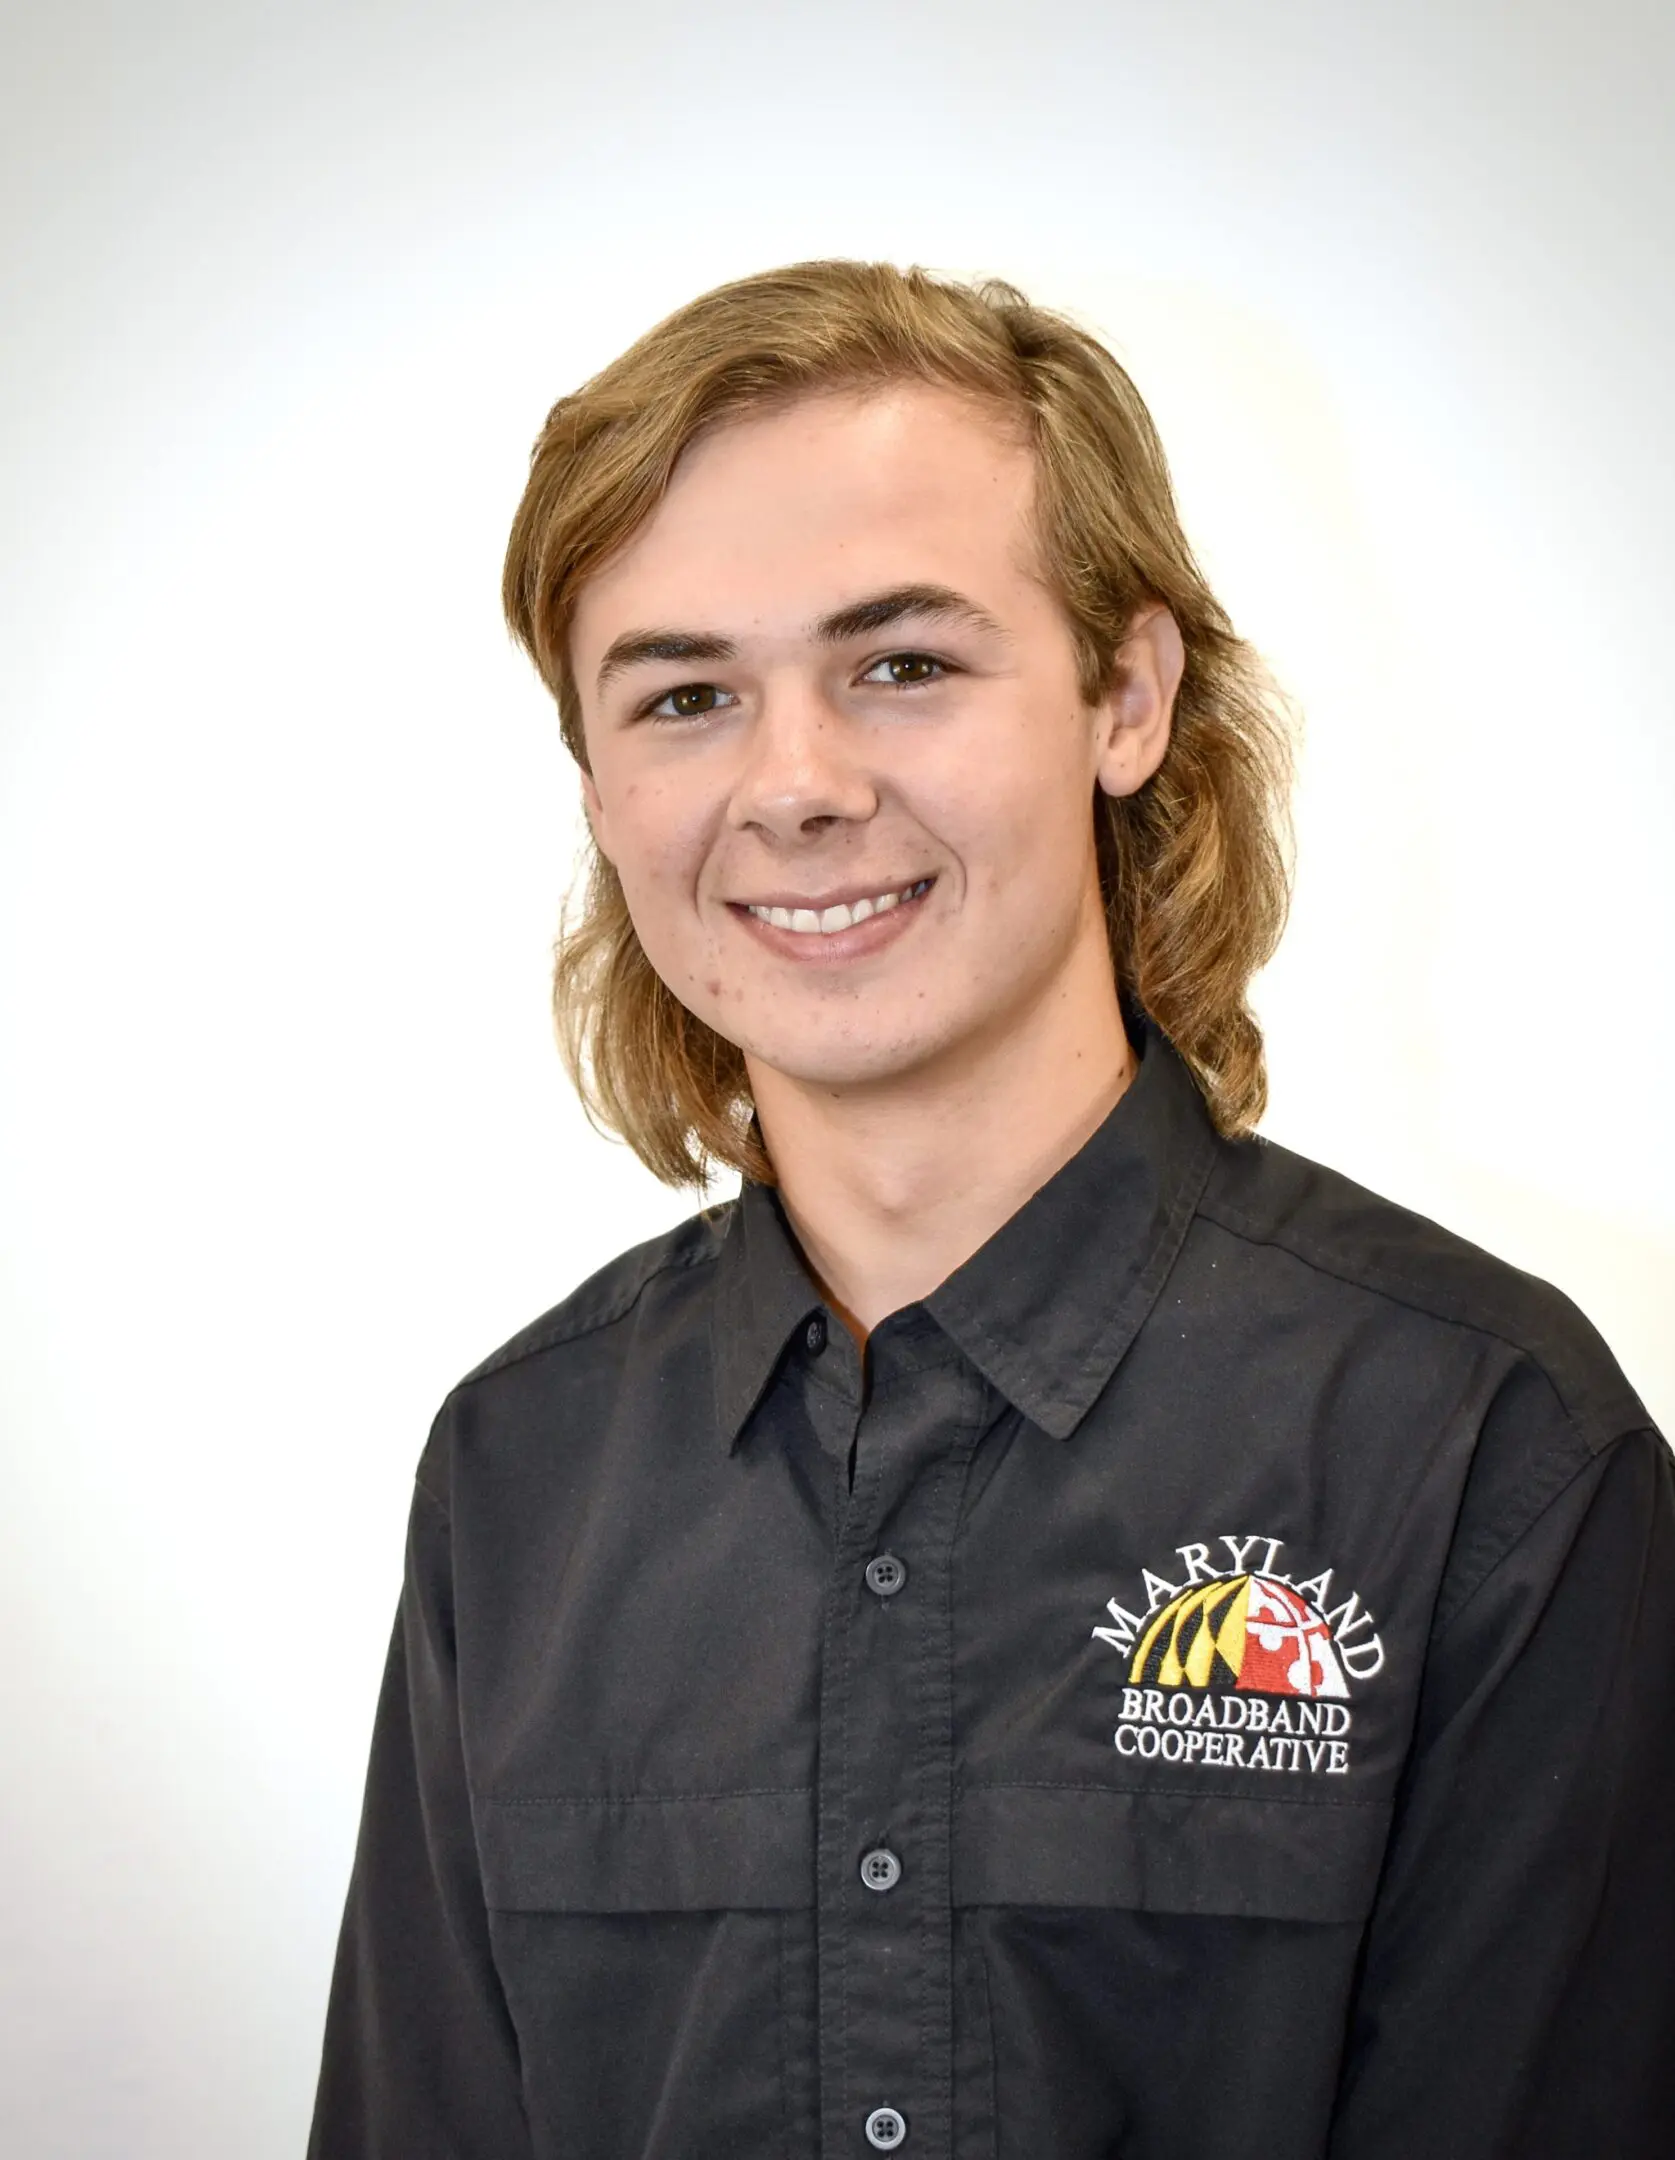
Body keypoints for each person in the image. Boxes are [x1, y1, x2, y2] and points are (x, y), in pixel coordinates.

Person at [306, 260, 1673, 2159]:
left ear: (1124, 694)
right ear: (602, 791)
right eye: (687, 694)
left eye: (903, 664)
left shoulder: (1483, 1449)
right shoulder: (514, 1474)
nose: (794, 786)